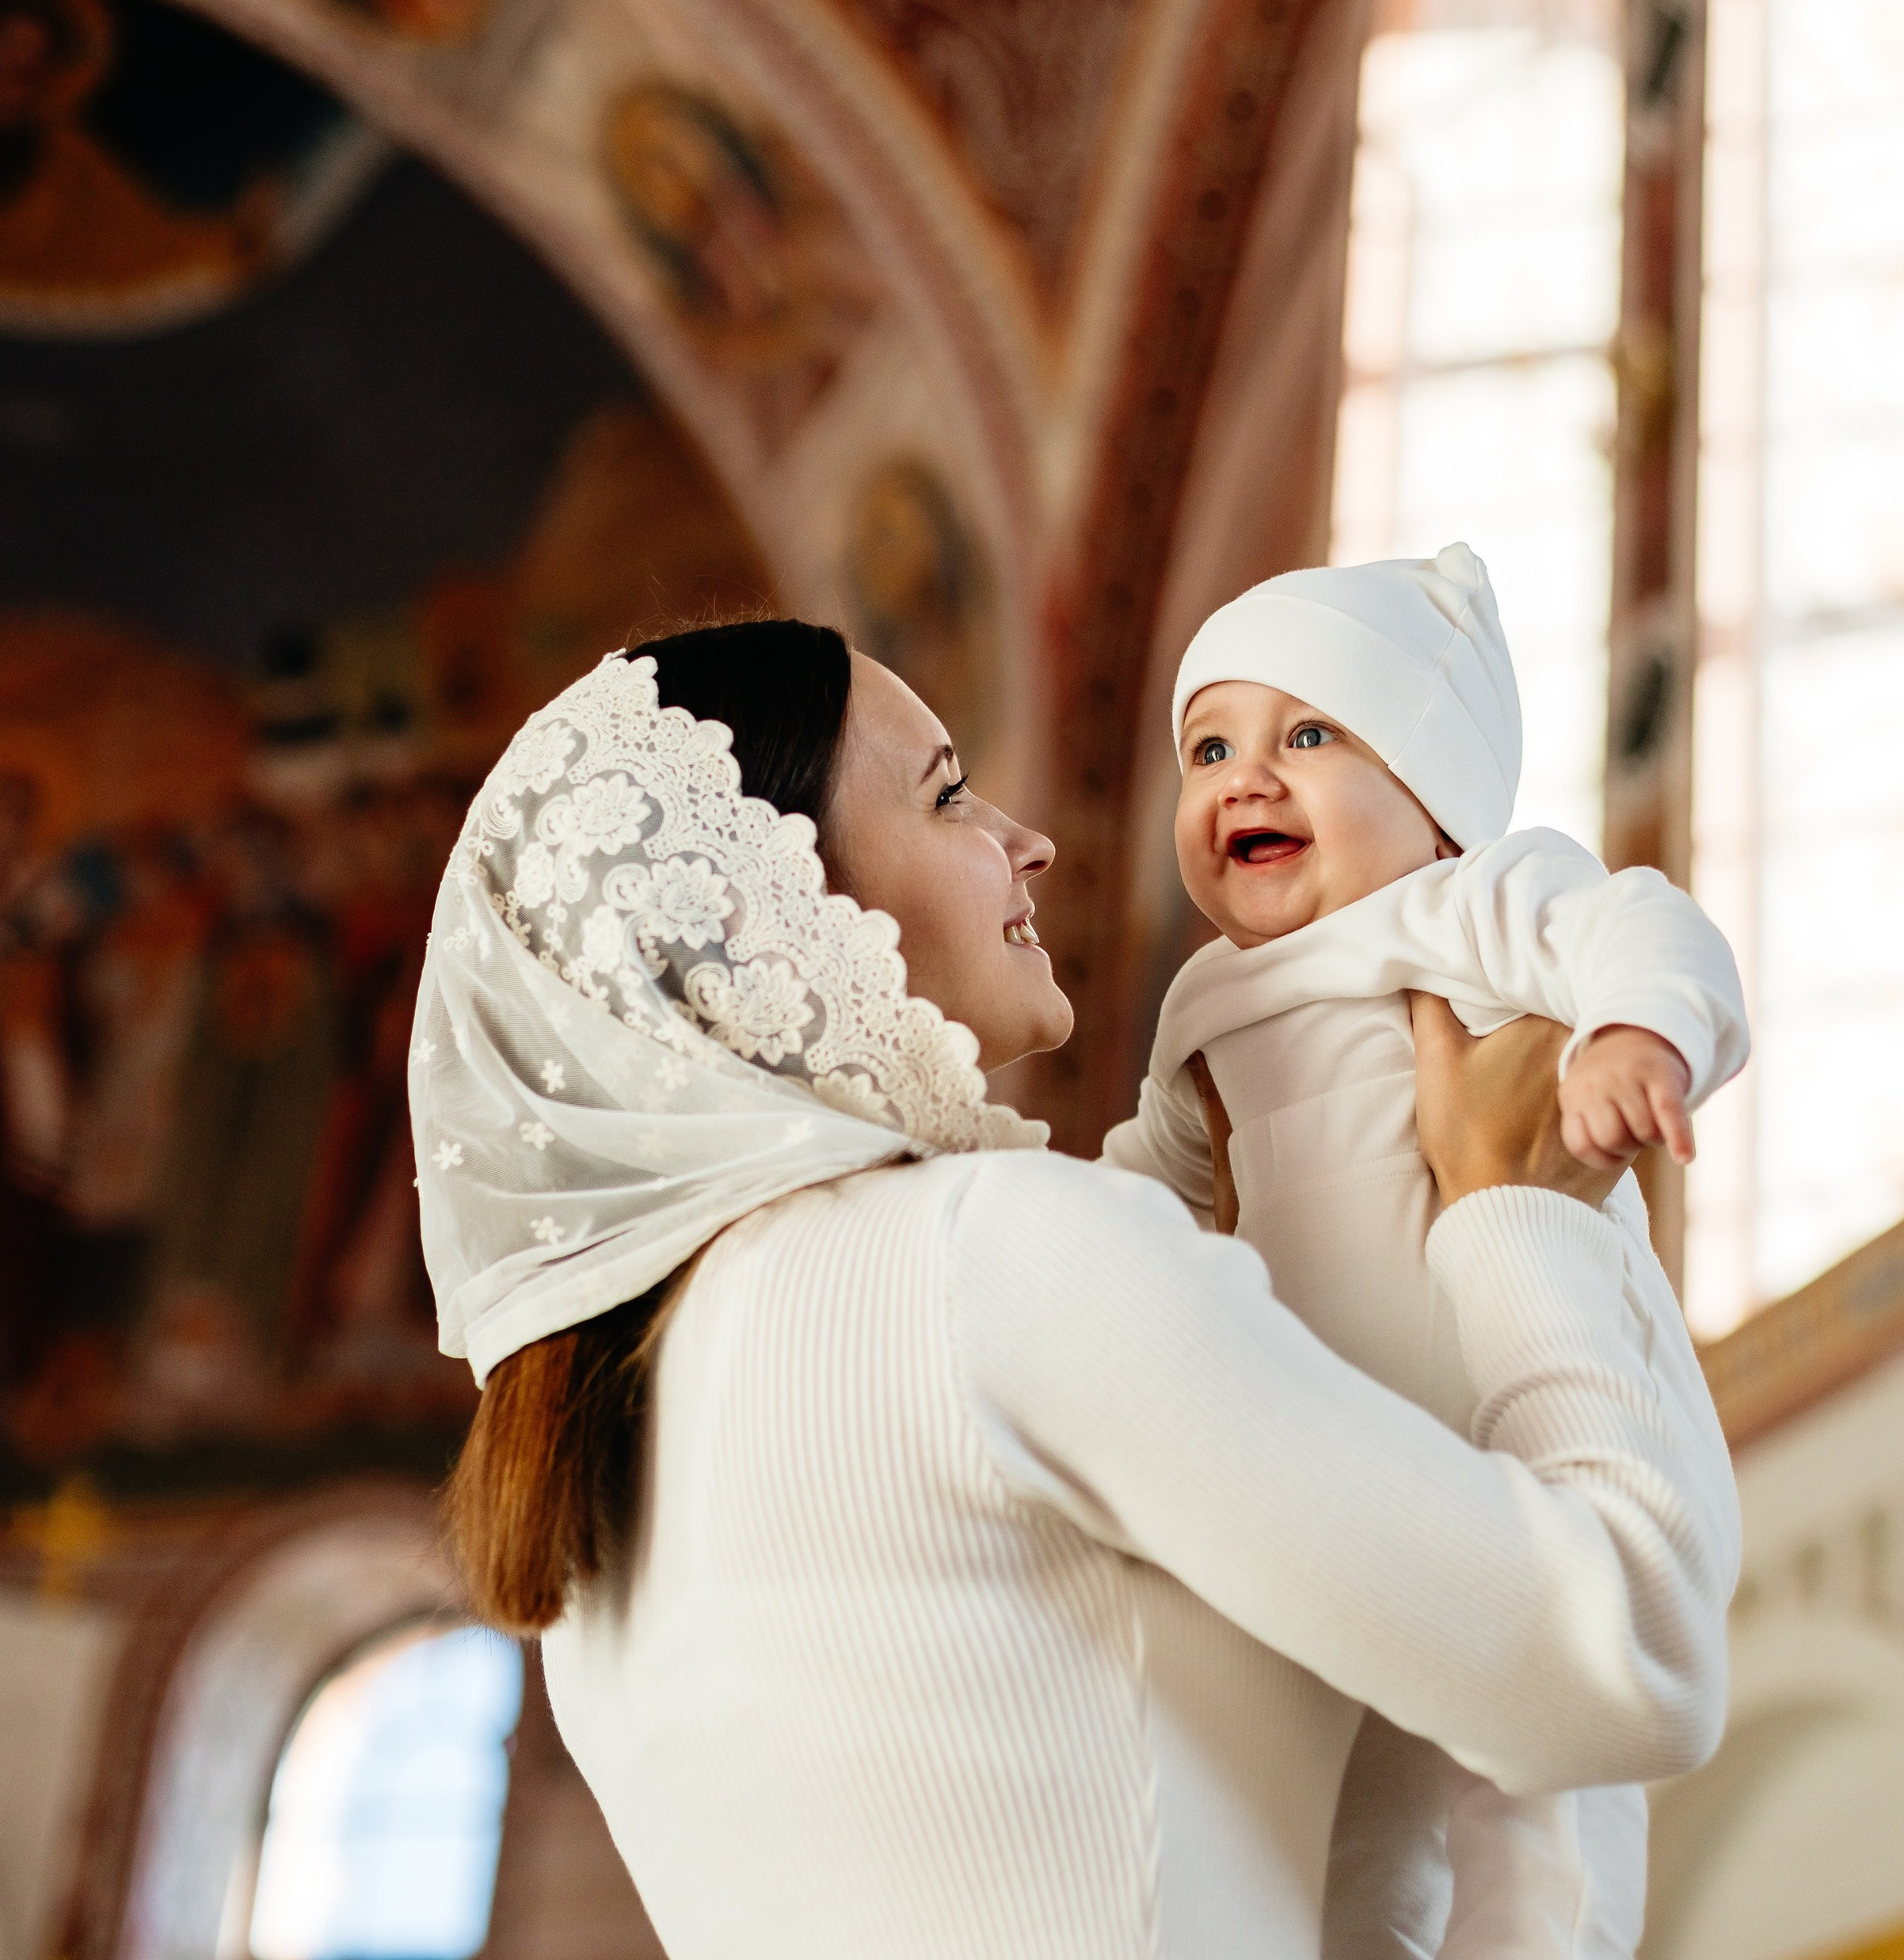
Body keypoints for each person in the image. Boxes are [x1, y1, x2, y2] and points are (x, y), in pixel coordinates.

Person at [414, 617, 1739, 1960]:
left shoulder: (587, 1445)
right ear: (763, 904)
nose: (1026, 838)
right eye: (945, 795)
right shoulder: (986, 1257)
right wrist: (1522, 1214)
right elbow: (1629, 1658)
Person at [1102, 545, 1748, 1958]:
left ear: (1439, 806)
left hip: (1507, 1408)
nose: (1245, 780)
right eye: (1210, 746)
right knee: (1349, 1797)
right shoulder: (1204, 1002)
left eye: (1311, 734)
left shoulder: (1468, 912)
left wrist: (1642, 1034)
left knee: (1530, 1788)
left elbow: (1649, 927)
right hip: (1326, 1452)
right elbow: (1148, 1183)